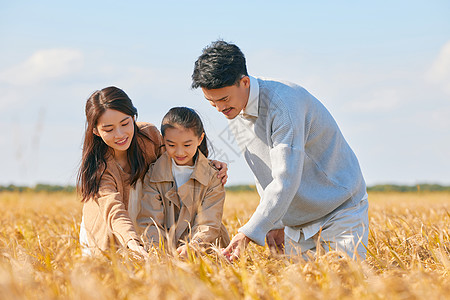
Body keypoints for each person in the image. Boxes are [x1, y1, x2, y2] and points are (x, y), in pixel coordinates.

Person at [191, 40, 369, 261]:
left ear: (244, 82)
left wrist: (247, 233)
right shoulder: (235, 110)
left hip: (339, 211)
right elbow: (262, 169)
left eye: (223, 99)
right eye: (211, 102)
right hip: (296, 225)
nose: (219, 108)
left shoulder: (284, 104)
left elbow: (286, 178)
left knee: (347, 287)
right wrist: (275, 222)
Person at [77, 87, 228, 257]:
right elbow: (114, 211)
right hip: (114, 233)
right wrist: (131, 241)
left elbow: (177, 161)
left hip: (150, 224)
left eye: (125, 123)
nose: (119, 134)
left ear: (134, 118)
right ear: (96, 131)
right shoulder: (99, 168)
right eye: (109, 129)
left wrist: (206, 165)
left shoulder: (149, 137)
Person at [134, 107, 230, 257]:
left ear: (200, 139)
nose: (179, 152)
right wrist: (158, 253)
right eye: (171, 145)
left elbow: (209, 223)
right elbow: (150, 220)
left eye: (187, 145)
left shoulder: (213, 176)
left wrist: (194, 247)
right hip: (164, 252)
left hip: (207, 251)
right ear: (163, 140)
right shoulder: (153, 174)